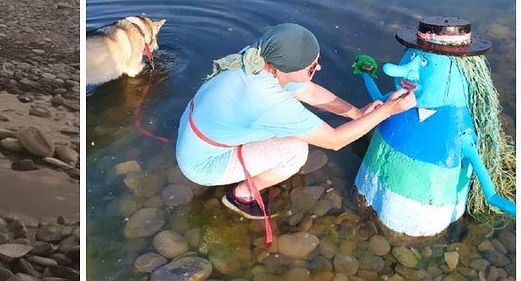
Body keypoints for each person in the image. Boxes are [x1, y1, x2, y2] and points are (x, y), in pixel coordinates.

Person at [175, 23, 417, 220]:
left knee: (288, 127)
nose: (319, 67)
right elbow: (334, 141)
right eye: (311, 67)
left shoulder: (260, 55)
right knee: (296, 151)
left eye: (316, 61)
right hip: (203, 164)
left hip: (197, 128)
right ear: (285, 68)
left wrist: (356, 113)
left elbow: (308, 92)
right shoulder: (268, 100)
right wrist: (388, 110)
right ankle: (242, 195)